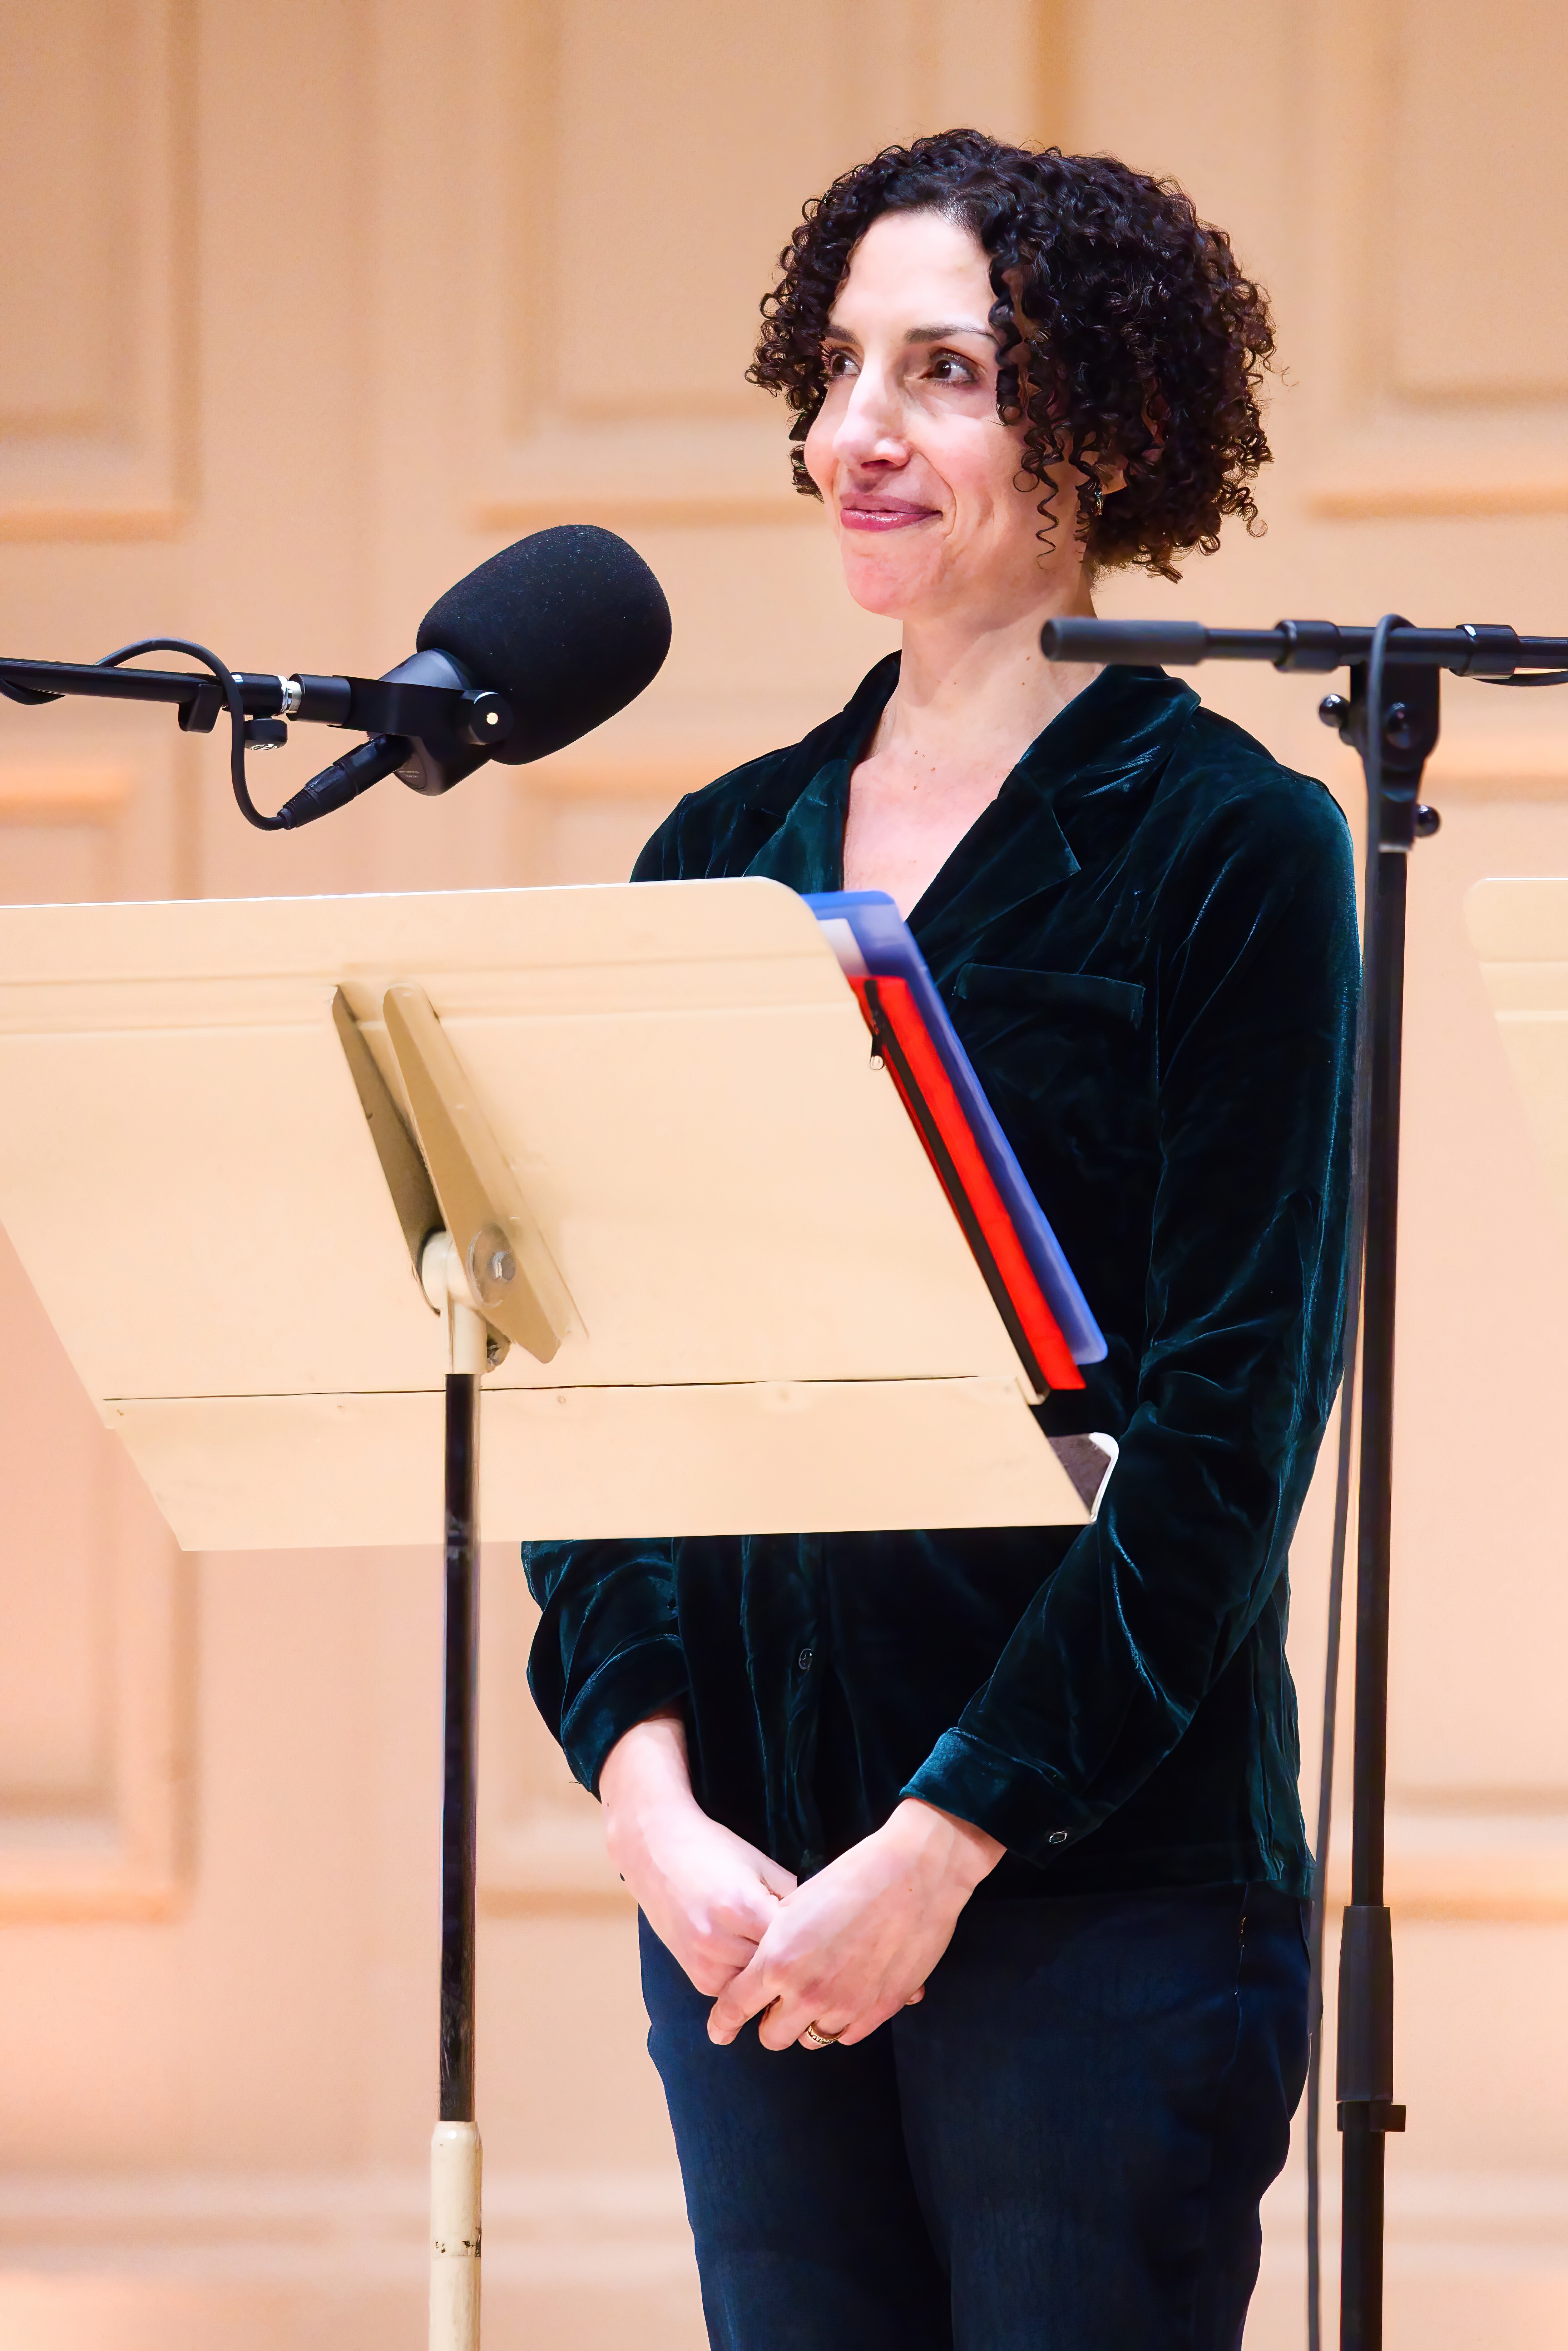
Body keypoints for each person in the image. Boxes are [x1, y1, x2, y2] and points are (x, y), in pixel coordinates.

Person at [524, 130, 1357, 2351]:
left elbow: (1226, 1434)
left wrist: (944, 1843)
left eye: (947, 372)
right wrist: (649, 1808)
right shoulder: (717, 854)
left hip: (1098, 1897)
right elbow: (595, 1406)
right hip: (745, 1896)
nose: (854, 435)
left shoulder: (1232, 847)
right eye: (837, 366)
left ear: (1117, 427)